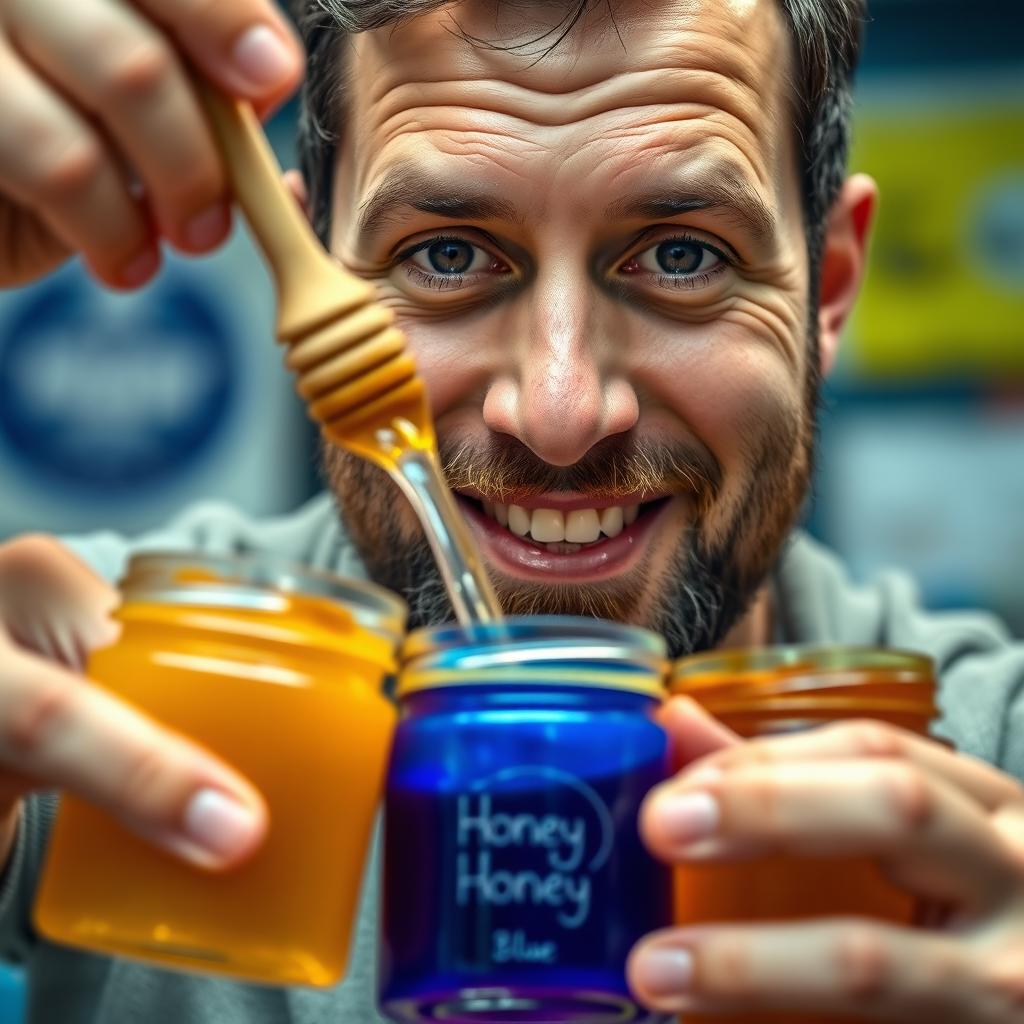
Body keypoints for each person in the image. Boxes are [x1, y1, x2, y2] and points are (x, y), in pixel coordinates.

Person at [0, 0, 1022, 1020]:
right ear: (301, 271)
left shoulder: (994, 764)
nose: (560, 412)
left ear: (829, 289)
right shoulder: (110, 673)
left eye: (682, 255)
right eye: (445, 255)